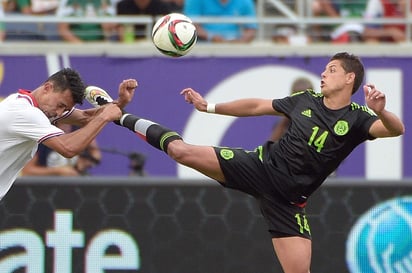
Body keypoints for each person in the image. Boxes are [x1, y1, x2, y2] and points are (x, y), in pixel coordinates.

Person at [88, 52, 404, 272]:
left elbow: (395, 129)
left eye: (332, 69)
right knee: (180, 152)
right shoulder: (306, 99)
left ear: (350, 78)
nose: (323, 72)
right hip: (259, 167)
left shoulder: (359, 118)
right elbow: (256, 105)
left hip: (289, 202)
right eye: (325, 68)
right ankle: (117, 114)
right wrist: (208, 106)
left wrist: (381, 110)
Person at [0, 68, 137, 200]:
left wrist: (120, 103)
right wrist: (104, 117)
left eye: (65, 109)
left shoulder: (22, 101)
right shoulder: (27, 113)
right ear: (47, 88)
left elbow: (85, 118)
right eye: (60, 105)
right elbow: (68, 148)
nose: (59, 113)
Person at [21, 123, 102, 176]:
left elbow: (95, 153)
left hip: (76, 183)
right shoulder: (42, 134)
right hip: (48, 187)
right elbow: (27, 170)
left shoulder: (80, 129)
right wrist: (58, 171)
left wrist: (85, 162)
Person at [183, 0, 257, 43]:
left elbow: (251, 29)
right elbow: (191, 26)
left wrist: (241, 42)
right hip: (203, 46)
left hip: (235, 48)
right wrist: (211, 37)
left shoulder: (245, 1)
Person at [269, 77, 314, 141]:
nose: (300, 102)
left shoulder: (320, 122)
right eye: (296, 97)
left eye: (305, 97)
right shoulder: (283, 125)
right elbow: (272, 147)